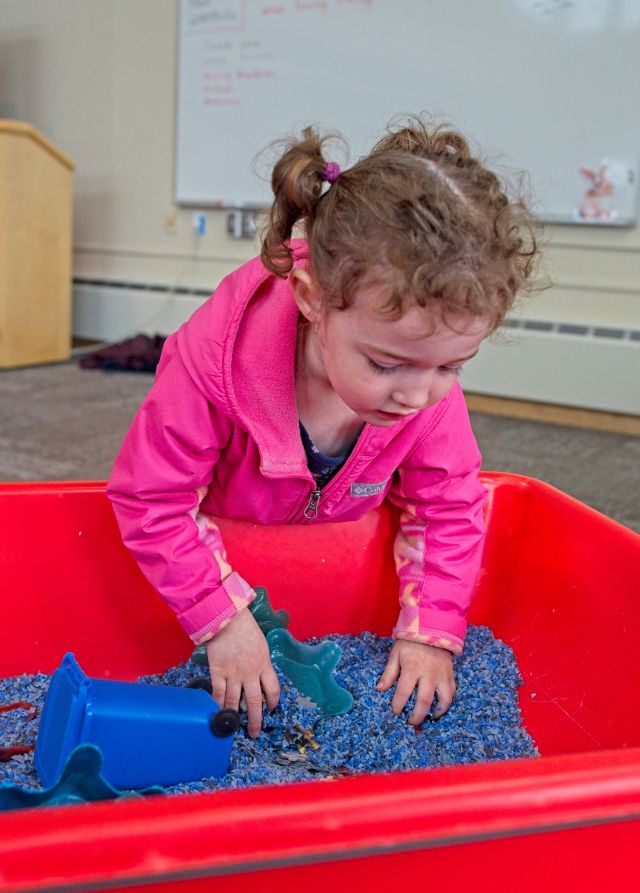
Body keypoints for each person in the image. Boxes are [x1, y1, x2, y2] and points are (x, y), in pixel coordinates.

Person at [107, 117, 539, 738]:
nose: (419, 394)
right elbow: (151, 497)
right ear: (310, 297)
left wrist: (432, 634)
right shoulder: (211, 362)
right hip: (222, 544)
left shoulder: (424, 390)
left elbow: (448, 507)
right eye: (385, 363)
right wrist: (223, 619)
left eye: (452, 365)